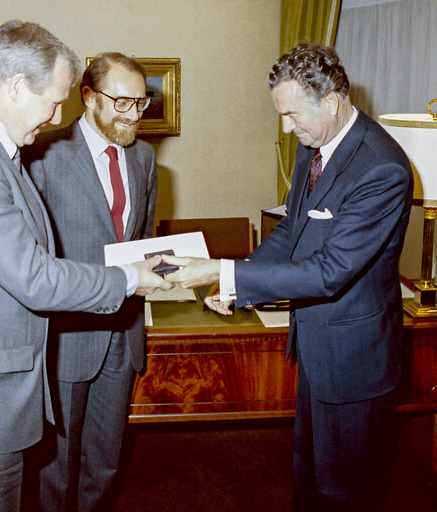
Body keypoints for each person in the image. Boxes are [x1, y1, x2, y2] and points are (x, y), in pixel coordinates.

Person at [0, 21, 170, 512]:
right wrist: (129, 278)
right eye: (54, 99)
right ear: (18, 85)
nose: (54, 115)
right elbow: (34, 276)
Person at [162, 43, 413, 511]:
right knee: (311, 477)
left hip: (354, 361)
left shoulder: (382, 168)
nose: (286, 127)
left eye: (293, 114)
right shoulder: (315, 143)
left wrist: (219, 269)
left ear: (333, 102)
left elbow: (329, 272)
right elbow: (295, 228)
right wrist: (239, 280)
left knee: (346, 491)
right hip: (318, 347)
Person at [23, 52, 155, 512]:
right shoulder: (43, 154)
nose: (132, 114)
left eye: (140, 103)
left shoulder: (145, 158)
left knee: (105, 460)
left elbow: (141, 239)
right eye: (121, 102)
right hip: (67, 335)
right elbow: (31, 256)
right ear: (88, 98)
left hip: (123, 333)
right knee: (56, 464)